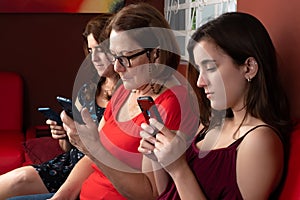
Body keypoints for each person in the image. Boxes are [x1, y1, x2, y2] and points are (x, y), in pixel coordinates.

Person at [138, 12, 293, 199]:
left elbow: (180, 178)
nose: (200, 82)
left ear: (249, 67)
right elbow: (168, 193)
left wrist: (179, 169)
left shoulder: (259, 140)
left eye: (210, 68)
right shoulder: (210, 125)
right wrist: (160, 157)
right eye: (199, 69)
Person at [0, 13, 119, 199]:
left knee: (19, 183)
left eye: (100, 50)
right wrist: (64, 134)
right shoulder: (88, 89)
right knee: (17, 178)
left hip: (96, 171)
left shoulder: (129, 93)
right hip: (69, 165)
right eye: (90, 50)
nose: (94, 57)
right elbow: (68, 148)